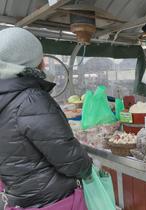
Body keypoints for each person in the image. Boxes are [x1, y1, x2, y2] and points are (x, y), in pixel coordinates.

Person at [0, 27, 92, 209]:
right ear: (31, 59)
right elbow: (71, 160)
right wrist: (89, 167)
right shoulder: (31, 99)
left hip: (20, 199)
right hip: (54, 200)